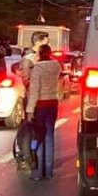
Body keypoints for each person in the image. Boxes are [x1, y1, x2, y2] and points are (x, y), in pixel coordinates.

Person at [26, 43, 62, 181]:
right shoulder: (56, 66)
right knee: (50, 136)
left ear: (39, 54)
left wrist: (30, 110)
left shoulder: (37, 69)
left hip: (40, 105)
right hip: (53, 103)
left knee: (38, 137)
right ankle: (49, 171)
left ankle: (37, 171)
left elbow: (34, 91)